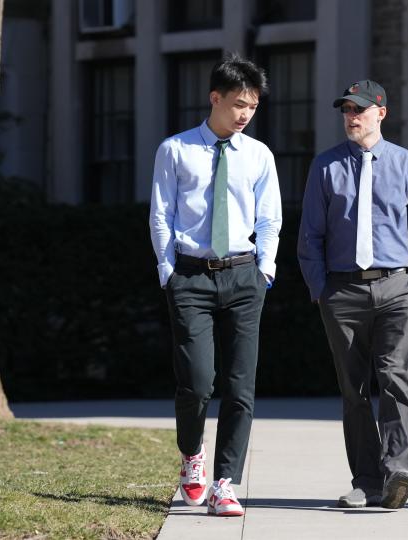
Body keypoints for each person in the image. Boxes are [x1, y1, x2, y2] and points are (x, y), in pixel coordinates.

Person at [149, 54, 281, 518]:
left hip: (245, 277)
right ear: (215, 98)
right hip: (191, 278)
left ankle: (225, 482)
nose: (245, 114)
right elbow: (161, 216)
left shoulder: (259, 155)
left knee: (241, 387)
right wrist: (169, 273)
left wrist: (265, 270)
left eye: (253, 106)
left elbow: (270, 219)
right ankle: (192, 457)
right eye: (239, 104)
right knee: (198, 383)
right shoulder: (176, 150)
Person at [298, 79, 408, 510]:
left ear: (381, 113)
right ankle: (367, 482)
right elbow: (310, 236)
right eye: (346, 110)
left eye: (359, 109)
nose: (351, 116)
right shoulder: (325, 167)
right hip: (342, 290)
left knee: (396, 379)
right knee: (353, 389)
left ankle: (399, 471)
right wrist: (321, 289)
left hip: (398, 287)